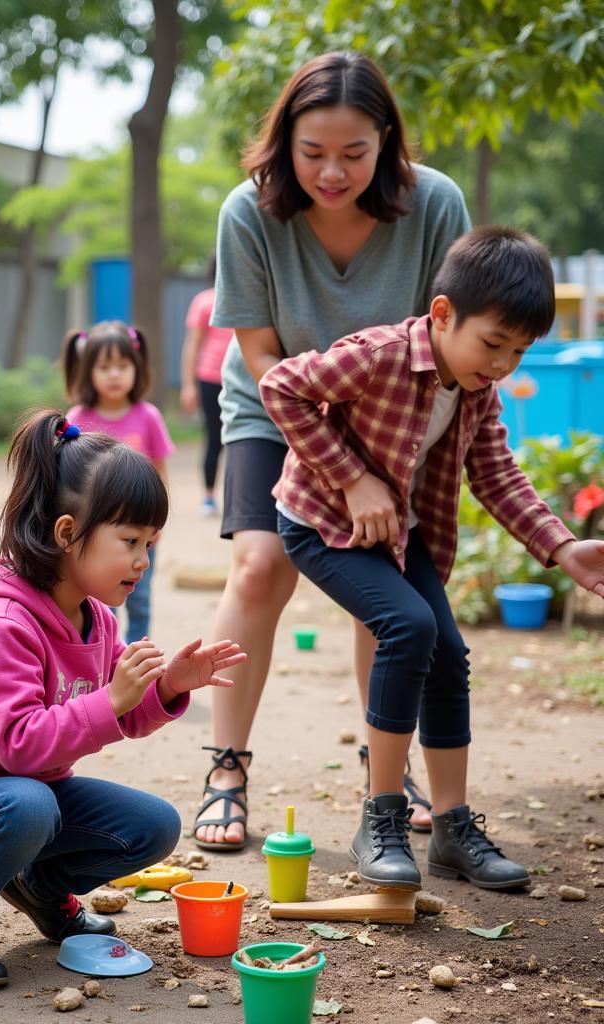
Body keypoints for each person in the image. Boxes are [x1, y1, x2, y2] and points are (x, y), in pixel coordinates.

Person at [263, 226, 604, 890]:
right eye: (493, 344)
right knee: (408, 627)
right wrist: (350, 478)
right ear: (443, 314)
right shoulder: (379, 354)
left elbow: (498, 475)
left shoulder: (479, 389)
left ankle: (452, 829)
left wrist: (563, 547)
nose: (503, 364)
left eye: (519, 351)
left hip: (399, 529)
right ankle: (382, 818)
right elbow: (282, 386)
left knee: (448, 652)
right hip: (321, 520)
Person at [195, 50, 472, 851]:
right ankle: (226, 766)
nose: (331, 172)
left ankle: (382, 769)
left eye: (354, 153)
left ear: (387, 142)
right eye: (312, 153)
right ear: (284, 141)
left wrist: (377, 470)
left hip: (393, 415)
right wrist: (343, 475)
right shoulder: (248, 212)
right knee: (259, 567)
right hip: (275, 407)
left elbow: (449, 338)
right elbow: (259, 358)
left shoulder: (436, 205)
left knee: (382, 584)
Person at [0, 411, 245, 990]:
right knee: (28, 805)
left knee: (153, 825)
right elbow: (20, 747)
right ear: (67, 534)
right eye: (129, 541)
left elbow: (115, 716)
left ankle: (39, 888)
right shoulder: (1, 622)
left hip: (17, 800)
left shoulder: (96, 618)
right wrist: (113, 696)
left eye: (150, 543)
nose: (143, 560)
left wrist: (167, 687)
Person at [63, 322, 175, 642]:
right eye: (104, 366)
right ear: (87, 370)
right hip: (97, 535)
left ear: (136, 369)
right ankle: (103, 664)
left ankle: (138, 662)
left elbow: (159, 470)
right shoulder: (77, 418)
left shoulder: (148, 416)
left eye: (122, 366)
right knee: (99, 604)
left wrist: (156, 526)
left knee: (139, 601)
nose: (114, 374)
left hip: (140, 535)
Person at [180, 255, 232, 517]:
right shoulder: (204, 301)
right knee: (214, 439)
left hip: (242, 380)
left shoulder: (250, 296)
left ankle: (237, 496)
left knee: (240, 440)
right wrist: (188, 385)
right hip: (210, 378)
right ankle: (209, 497)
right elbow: (193, 345)